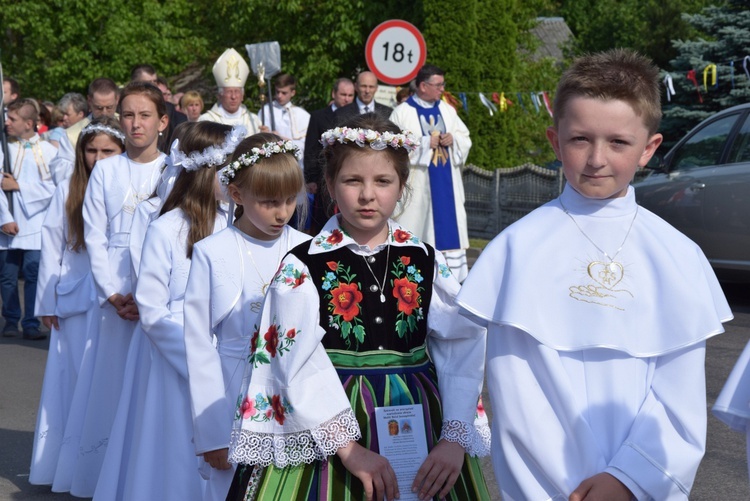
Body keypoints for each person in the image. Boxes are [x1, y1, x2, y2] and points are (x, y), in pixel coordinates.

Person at [456, 49, 733, 500]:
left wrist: (628, 479)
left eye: (619, 142)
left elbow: (678, 395)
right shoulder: (517, 249)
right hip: (541, 483)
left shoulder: (677, 257)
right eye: (580, 139)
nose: (597, 158)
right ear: (555, 140)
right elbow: (517, 393)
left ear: (649, 149)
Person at [227, 114, 490, 501]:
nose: (368, 195)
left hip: (419, 416)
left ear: (402, 185)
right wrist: (348, 449)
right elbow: (292, 361)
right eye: (353, 181)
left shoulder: (424, 259)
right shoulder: (303, 266)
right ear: (330, 185)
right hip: (330, 420)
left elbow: (462, 343)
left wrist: (453, 436)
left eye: (383, 181)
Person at [94, 121, 240, 501]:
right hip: (173, 355)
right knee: (174, 445)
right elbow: (153, 309)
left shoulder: (234, 224)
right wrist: (196, 359)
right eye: (230, 169)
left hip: (223, 350)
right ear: (208, 170)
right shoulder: (167, 228)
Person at [184, 132, 311, 501]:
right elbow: (198, 344)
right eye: (270, 201)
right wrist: (212, 433)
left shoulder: (306, 248)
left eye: (290, 199)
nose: (282, 212)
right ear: (237, 195)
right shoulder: (212, 252)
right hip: (232, 397)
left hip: (294, 396)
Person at [67, 81, 168, 497]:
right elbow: (94, 234)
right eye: (128, 115)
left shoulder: (173, 170)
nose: (136, 123)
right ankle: (101, 474)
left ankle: (145, 473)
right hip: (115, 295)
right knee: (109, 382)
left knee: (150, 385)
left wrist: (150, 297)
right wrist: (112, 292)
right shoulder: (107, 169)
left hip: (157, 293)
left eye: (145, 115)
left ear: (163, 121)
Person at [29, 116, 125, 488]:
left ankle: (103, 459)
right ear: (80, 152)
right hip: (72, 299)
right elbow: (51, 245)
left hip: (113, 297)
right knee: (72, 378)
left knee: (104, 379)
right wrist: (46, 302)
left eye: (107, 151)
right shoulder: (68, 189)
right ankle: (68, 462)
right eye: (91, 150)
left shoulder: (126, 185)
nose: (98, 158)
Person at [389, 64, 472, 282]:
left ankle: (451, 278)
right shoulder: (402, 112)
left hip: (447, 185)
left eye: (443, 84)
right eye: (438, 85)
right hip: (419, 189)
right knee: (419, 229)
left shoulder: (447, 110)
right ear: (423, 86)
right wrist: (425, 143)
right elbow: (394, 148)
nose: (442, 89)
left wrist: (453, 140)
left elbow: (465, 137)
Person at [0, 98, 58, 340]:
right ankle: (11, 319)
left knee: (34, 273)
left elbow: (56, 187)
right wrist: (5, 217)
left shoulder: (50, 151)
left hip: (37, 224)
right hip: (9, 222)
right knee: (8, 276)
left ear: (29, 123)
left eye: (12, 119)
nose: (7, 123)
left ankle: (31, 322)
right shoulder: (4, 149)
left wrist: (20, 186)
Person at [304, 78, 354, 233]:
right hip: (324, 179)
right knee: (323, 220)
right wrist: (311, 178)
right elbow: (312, 148)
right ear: (334, 93)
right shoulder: (318, 116)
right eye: (343, 94)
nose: (346, 99)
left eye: (350, 95)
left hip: (349, 177)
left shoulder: (356, 116)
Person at [48, 77, 120, 185]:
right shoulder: (72, 134)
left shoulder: (126, 125)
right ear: (89, 101)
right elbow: (61, 173)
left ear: (117, 99)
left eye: (109, 107)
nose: (104, 113)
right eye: (99, 108)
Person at [199, 48, 264, 137]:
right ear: (220, 95)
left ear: (242, 96)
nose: (233, 96)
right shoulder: (206, 120)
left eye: (237, 92)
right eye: (229, 92)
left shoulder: (253, 120)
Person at [258, 73, 309, 170]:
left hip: (294, 164)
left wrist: (283, 140)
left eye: (284, 93)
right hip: (272, 163)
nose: (279, 96)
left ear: (293, 93)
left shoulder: (302, 115)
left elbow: (307, 145)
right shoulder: (265, 111)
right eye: (277, 92)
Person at [131, 64, 187, 151]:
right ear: (135, 83)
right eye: (149, 83)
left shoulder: (168, 109)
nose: (154, 86)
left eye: (155, 82)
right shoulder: (125, 107)